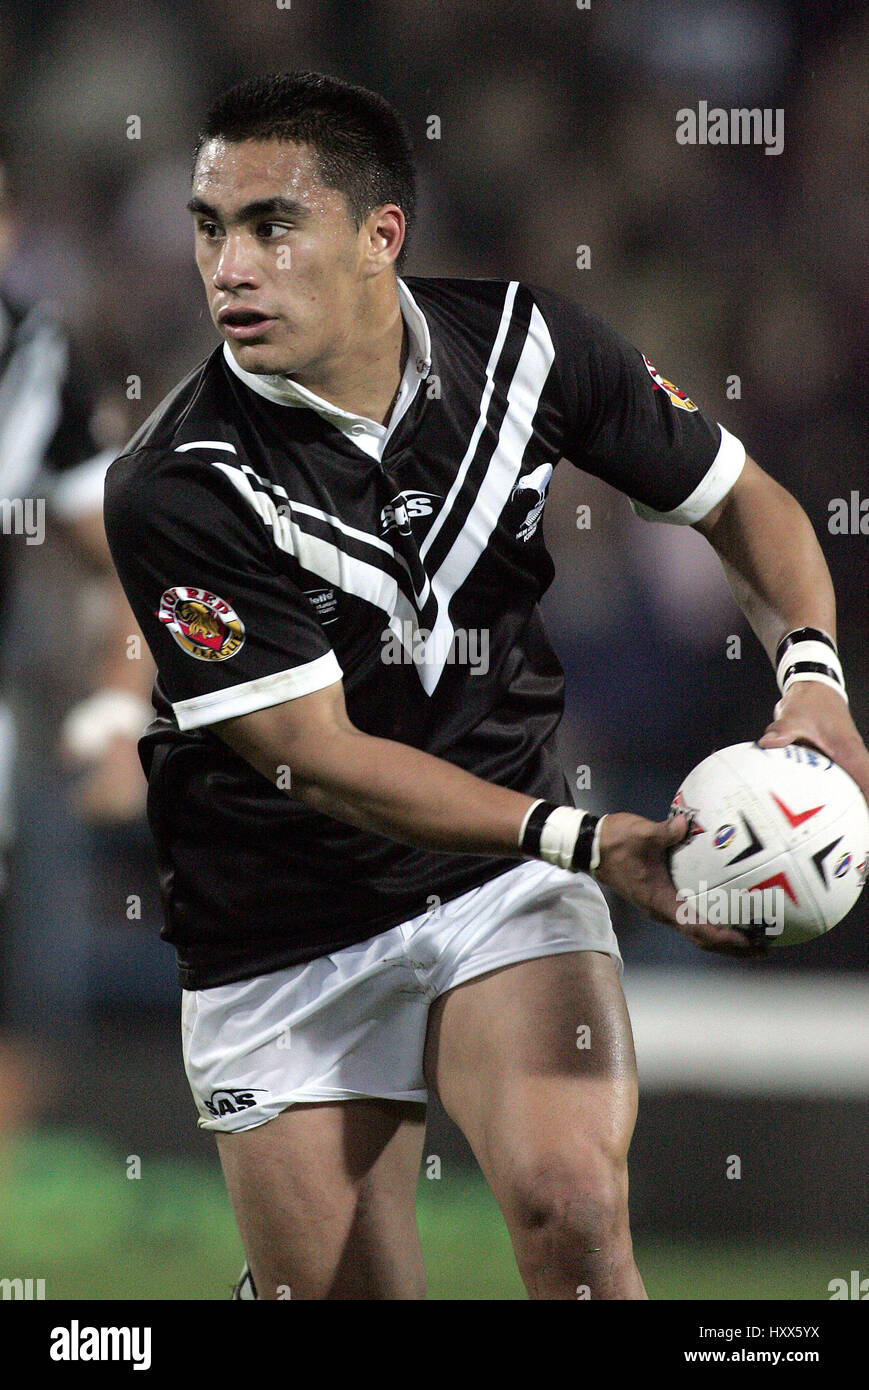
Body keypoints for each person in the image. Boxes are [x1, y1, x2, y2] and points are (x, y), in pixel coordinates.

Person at [103, 71, 869, 1301]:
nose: (227, 266)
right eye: (208, 227)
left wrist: (814, 675)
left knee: (570, 1209)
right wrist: (583, 836)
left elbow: (741, 500)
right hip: (278, 917)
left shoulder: (527, 346)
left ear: (379, 236)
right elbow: (318, 751)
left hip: (496, 876)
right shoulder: (177, 481)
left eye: (270, 225)